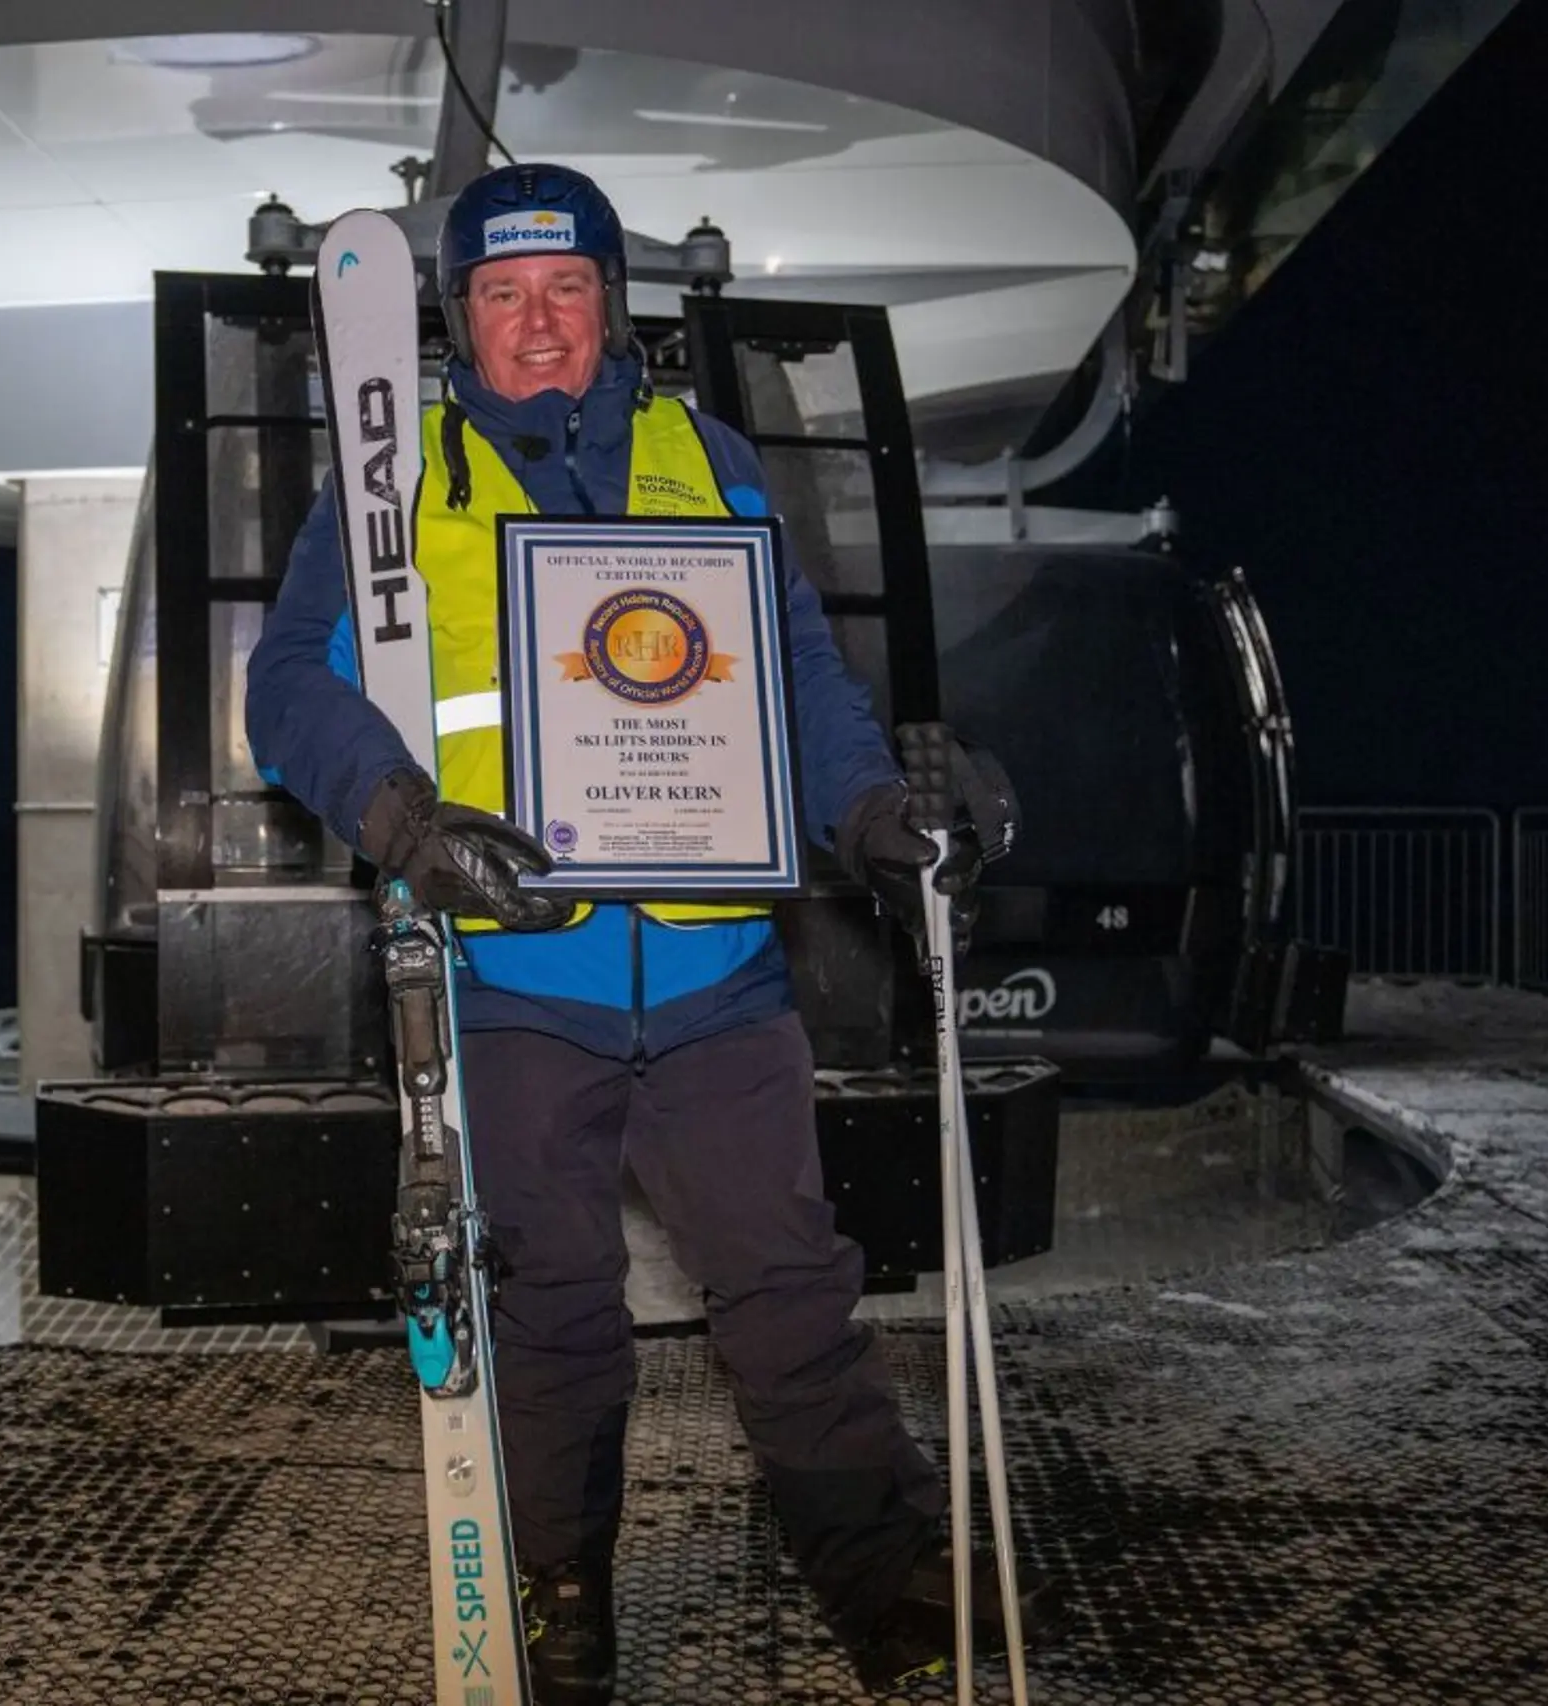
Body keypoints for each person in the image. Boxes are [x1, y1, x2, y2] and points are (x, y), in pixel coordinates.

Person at [244, 162, 1044, 1702]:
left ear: (611, 305)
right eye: (502, 294)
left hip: (711, 970)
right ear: (458, 315)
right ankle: (557, 1594)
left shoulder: (709, 456)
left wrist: (873, 813)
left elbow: (796, 679)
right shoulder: (391, 484)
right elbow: (286, 685)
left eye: (567, 292)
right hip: (511, 973)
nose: (537, 325)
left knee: (791, 1285)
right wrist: (404, 821)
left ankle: (884, 1577)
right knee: (548, 1308)